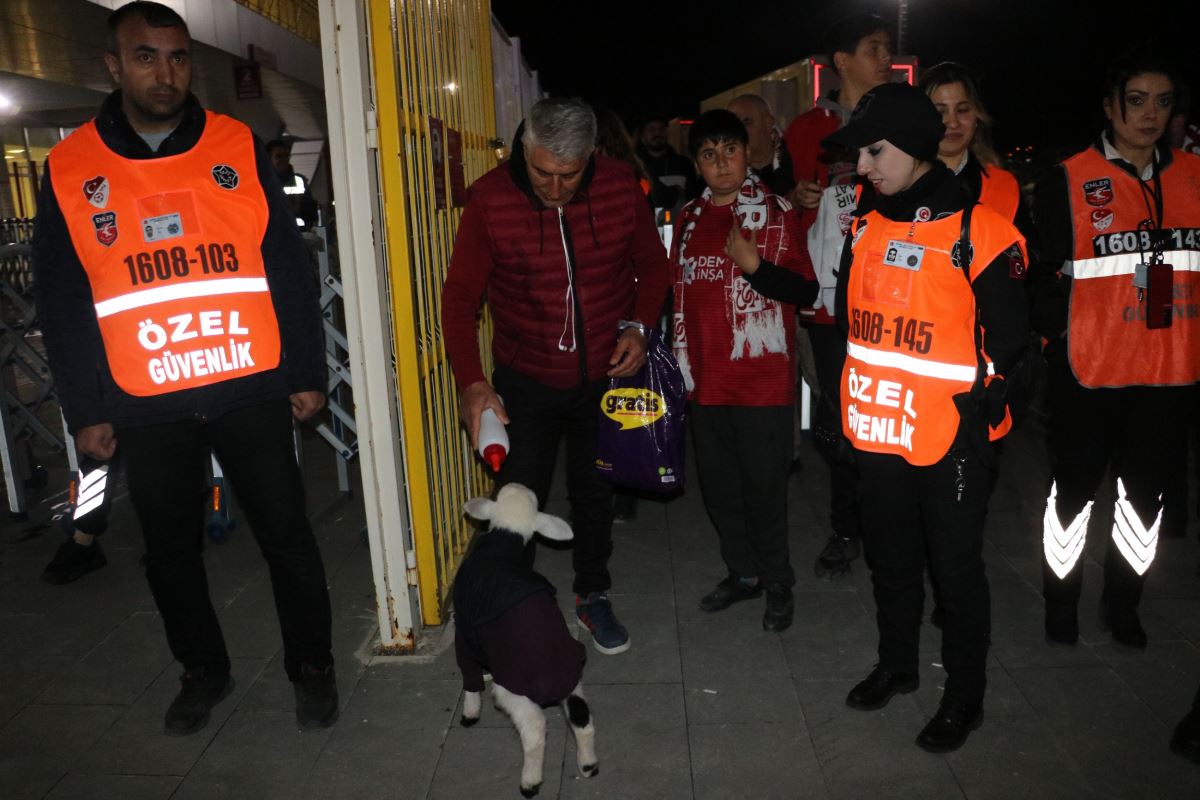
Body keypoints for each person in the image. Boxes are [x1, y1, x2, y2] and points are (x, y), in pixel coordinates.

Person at [32, 1, 337, 735]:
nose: (164, 73)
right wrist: (86, 410)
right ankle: (204, 671)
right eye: (145, 56)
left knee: (287, 535)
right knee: (169, 552)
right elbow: (63, 299)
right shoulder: (72, 169)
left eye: (175, 57)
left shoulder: (237, 144)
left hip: (247, 378)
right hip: (145, 398)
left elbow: (284, 269)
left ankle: (313, 668)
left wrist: (305, 370)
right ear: (114, 65)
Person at [824, 82, 1028, 752]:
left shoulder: (984, 232)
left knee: (957, 571)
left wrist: (984, 414)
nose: (862, 167)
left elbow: (1013, 345)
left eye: (874, 152)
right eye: (859, 155)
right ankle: (898, 665)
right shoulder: (865, 224)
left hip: (951, 441)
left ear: (914, 147)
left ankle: (964, 699)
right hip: (879, 431)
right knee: (891, 558)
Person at [441, 97, 671, 656]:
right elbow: (459, 297)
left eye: (569, 175)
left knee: (595, 493)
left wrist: (640, 327)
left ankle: (593, 594)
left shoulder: (620, 187)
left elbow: (653, 266)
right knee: (517, 497)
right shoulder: (491, 200)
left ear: (591, 156)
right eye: (543, 172)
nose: (556, 187)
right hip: (525, 380)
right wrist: (473, 380)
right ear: (524, 150)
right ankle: (508, 606)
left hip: (605, 377)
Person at [1030, 51, 1200, 650]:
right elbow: (1039, 275)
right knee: (1072, 492)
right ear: (1110, 107)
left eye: (1162, 101)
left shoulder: (1194, 178)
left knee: (1143, 502)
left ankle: (1124, 605)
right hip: (1089, 371)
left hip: (1167, 373)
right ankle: (1060, 603)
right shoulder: (1067, 178)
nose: (1150, 114)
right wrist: (1058, 342)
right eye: (1136, 100)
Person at [672, 110, 816, 632]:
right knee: (719, 490)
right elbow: (679, 295)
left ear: (746, 153)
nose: (721, 163)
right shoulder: (687, 218)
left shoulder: (775, 212)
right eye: (708, 155)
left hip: (761, 384)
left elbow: (806, 291)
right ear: (697, 165)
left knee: (764, 489)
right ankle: (743, 573)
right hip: (704, 384)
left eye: (729, 150)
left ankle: (778, 580)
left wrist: (756, 268)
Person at [782, 13, 894, 579]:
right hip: (827, 296)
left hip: (890, 292)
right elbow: (785, 200)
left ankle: (884, 519)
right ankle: (846, 525)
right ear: (841, 61)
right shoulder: (805, 128)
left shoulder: (900, 117)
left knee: (882, 411)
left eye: (887, 48)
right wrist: (799, 195)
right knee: (837, 414)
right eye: (873, 48)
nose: (884, 58)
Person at [919, 62, 1033, 236]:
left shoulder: (1003, 186)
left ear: (977, 116)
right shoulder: (897, 182)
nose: (953, 122)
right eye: (940, 112)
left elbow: (1029, 256)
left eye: (963, 110)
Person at [727, 94, 796, 197]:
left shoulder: (796, 155)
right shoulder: (724, 169)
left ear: (768, 123)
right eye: (731, 126)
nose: (737, 131)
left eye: (746, 123)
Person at [636, 114, 698, 210]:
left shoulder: (684, 164)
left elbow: (694, 198)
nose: (657, 133)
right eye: (652, 130)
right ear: (643, 135)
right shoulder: (635, 167)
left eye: (661, 129)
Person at [266, 138, 319, 230]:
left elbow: (311, 214)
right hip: (272, 238)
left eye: (286, 155)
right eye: (278, 156)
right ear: (268, 159)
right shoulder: (262, 184)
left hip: (298, 235)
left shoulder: (300, 181)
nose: (284, 160)